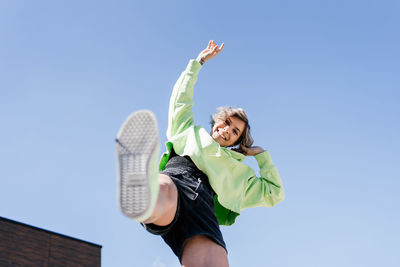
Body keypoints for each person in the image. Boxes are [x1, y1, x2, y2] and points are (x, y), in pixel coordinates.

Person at [116, 40, 284, 267]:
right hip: (178, 178)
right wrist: (198, 63)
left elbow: (274, 193)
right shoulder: (188, 131)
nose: (227, 130)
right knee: (162, 193)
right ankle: (142, 191)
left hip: (205, 211)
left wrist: (261, 156)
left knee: (214, 262)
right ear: (216, 121)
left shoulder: (239, 172)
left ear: (237, 141)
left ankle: (145, 194)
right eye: (226, 122)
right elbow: (180, 100)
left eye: (235, 132)